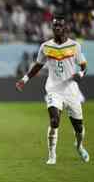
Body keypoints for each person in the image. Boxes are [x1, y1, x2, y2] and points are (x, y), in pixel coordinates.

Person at [16, 14, 90, 165]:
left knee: (79, 127)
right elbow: (38, 65)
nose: (57, 28)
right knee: (54, 120)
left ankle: (79, 145)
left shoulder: (75, 46)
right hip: (53, 89)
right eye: (54, 25)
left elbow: (84, 66)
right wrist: (24, 79)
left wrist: (80, 74)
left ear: (65, 28)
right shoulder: (45, 46)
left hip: (71, 90)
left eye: (60, 25)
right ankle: (52, 155)